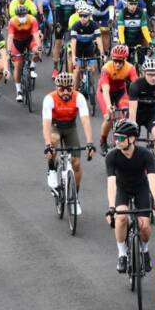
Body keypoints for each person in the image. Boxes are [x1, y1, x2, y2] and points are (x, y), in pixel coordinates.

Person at [105, 119, 155, 273]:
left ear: (132, 138)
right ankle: (122, 254)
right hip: (122, 189)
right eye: (115, 138)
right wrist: (111, 208)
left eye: (120, 138)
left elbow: (152, 181)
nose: (116, 141)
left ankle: (144, 251)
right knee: (121, 218)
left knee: (144, 224)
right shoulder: (112, 156)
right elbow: (111, 183)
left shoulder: (145, 154)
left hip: (141, 189)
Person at [43, 72, 96, 215]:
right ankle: (52, 170)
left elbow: (85, 121)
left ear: (73, 87)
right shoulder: (49, 99)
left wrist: (90, 143)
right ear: (57, 88)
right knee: (53, 139)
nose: (65, 92)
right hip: (55, 126)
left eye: (69, 89)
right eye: (62, 89)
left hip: (70, 127)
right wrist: (48, 146)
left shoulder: (79, 97)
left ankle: (74, 199)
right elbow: (46, 124)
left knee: (76, 163)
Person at [97, 45, 139, 154]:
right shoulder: (106, 68)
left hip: (120, 91)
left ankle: (126, 139)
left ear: (125, 59)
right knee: (109, 118)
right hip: (105, 93)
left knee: (126, 114)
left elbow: (136, 85)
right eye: (115, 60)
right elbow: (105, 89)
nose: (117, 64)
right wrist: (108, 105)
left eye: (120, 61)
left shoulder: (130, 68)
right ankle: (103, 140)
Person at [7, 4, 40, 103]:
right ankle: (19, 91)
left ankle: (32, 67)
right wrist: (9, 50)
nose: (21, 17)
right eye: (19, 15)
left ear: (27, 13)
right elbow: (10, 37)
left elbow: (36, 34)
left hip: (29, 40)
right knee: (18, 65)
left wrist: (39, 47)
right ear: (16, 15)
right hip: (17, 43)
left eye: (23, 15)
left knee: (37, 51)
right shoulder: (12, 21)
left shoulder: (32, 20)